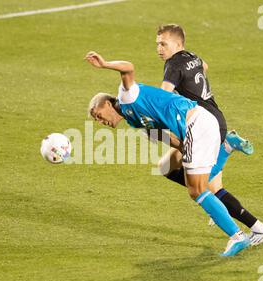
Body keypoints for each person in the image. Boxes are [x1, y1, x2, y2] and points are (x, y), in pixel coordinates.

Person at [84, 51, 251, 256]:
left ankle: (238, 236)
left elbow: (128, 67)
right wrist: (187, 150)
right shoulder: (135, 121)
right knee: (196, 184)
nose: (102, 122)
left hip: (195, 122)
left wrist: (104, 64)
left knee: (196, 189)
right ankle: (226, 150)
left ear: (108, 104)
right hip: (196, 127)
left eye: (99, 116)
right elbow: (170, 140)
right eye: (98, 121)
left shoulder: (126, 97)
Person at [155, 24, 263, 245]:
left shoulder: (173, 64)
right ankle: (260, 229)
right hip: (217, 119)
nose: (159, 49)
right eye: (157, 44)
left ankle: (227, 148)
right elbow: (204, 67)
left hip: (202, 127)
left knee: (185, 179)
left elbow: (162, 99)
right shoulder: (192, 57)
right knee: (211, 188)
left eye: (163, 43)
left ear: (177, 44)